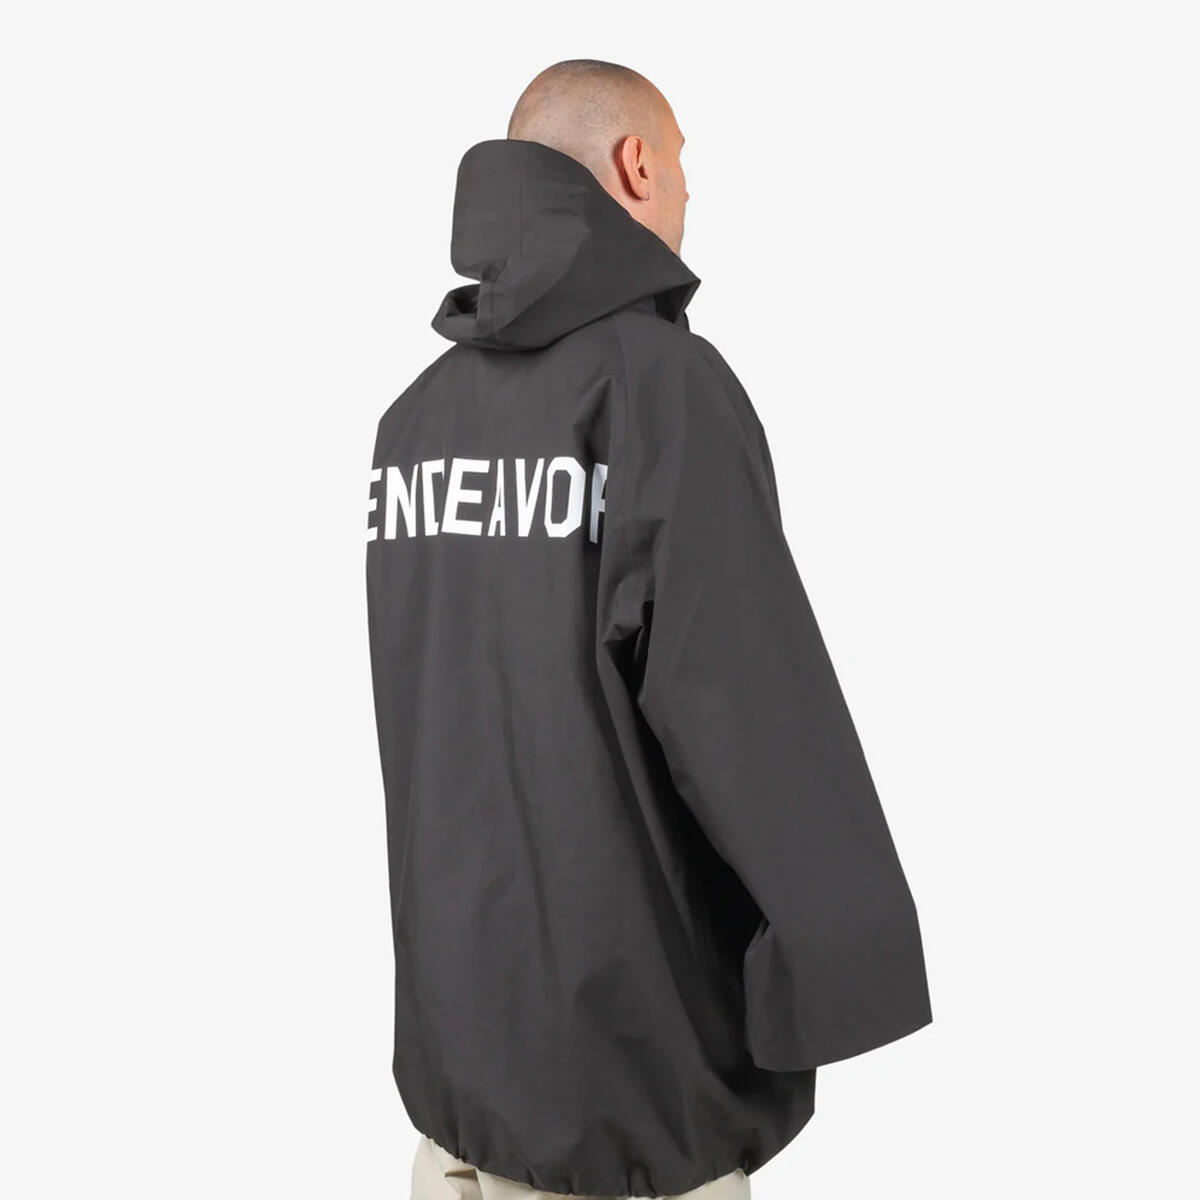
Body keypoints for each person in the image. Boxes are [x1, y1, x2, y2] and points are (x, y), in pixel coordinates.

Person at [365, 60, 932, 1200]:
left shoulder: (414, 421)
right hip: (628, 1100)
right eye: (680, 167)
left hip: (455, 1076)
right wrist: (846, 948)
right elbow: (745, 705)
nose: (686, 197)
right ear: (636, 166)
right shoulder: (659, 387)